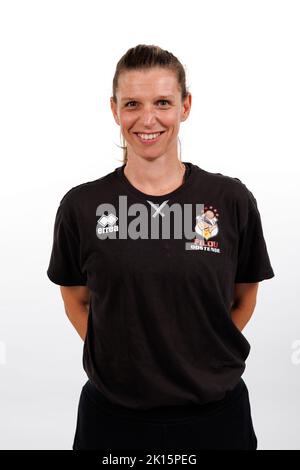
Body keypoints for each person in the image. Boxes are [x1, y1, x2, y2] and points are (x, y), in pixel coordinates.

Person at [47, 44, 275, 450]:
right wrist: (119, 358)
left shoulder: (229, 200)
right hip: (113, 421)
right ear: (115, 110)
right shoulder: (81, 207)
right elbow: (76, 300)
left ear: (185, 106)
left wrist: (200, 353)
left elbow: (244, 295)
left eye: (163, 102)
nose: (147, 118)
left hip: (217, 419)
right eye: (132, 103)